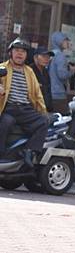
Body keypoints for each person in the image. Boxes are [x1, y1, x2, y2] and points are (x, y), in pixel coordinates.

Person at [0, 38, 49, 167]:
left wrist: (43, 112)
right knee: (5, 122)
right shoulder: (2, 67)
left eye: (23, 51)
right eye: (16, 50)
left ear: (27, 55)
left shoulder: (29, 71)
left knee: (44, 122)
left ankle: (29, 151)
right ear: (10, 53)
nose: (19, 54)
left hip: (25, 109)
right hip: (8, 108)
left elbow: (37, 95)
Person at [48, 32, 75, 114]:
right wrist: (72, 71)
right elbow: (62, 75)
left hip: (48, 92)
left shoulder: (51, 54)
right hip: (58, 94)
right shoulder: (60, 56)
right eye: (65, 40)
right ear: (59, 42)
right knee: (64, 119)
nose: (67, 43)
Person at [29, 46, 55, 112]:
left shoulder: (45, 72)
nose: (47, 59)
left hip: (45, 108)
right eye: (43, 56)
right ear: (35, 57)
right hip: (32, 109)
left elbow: (48, 92)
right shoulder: (29, 71)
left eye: (48, 57)